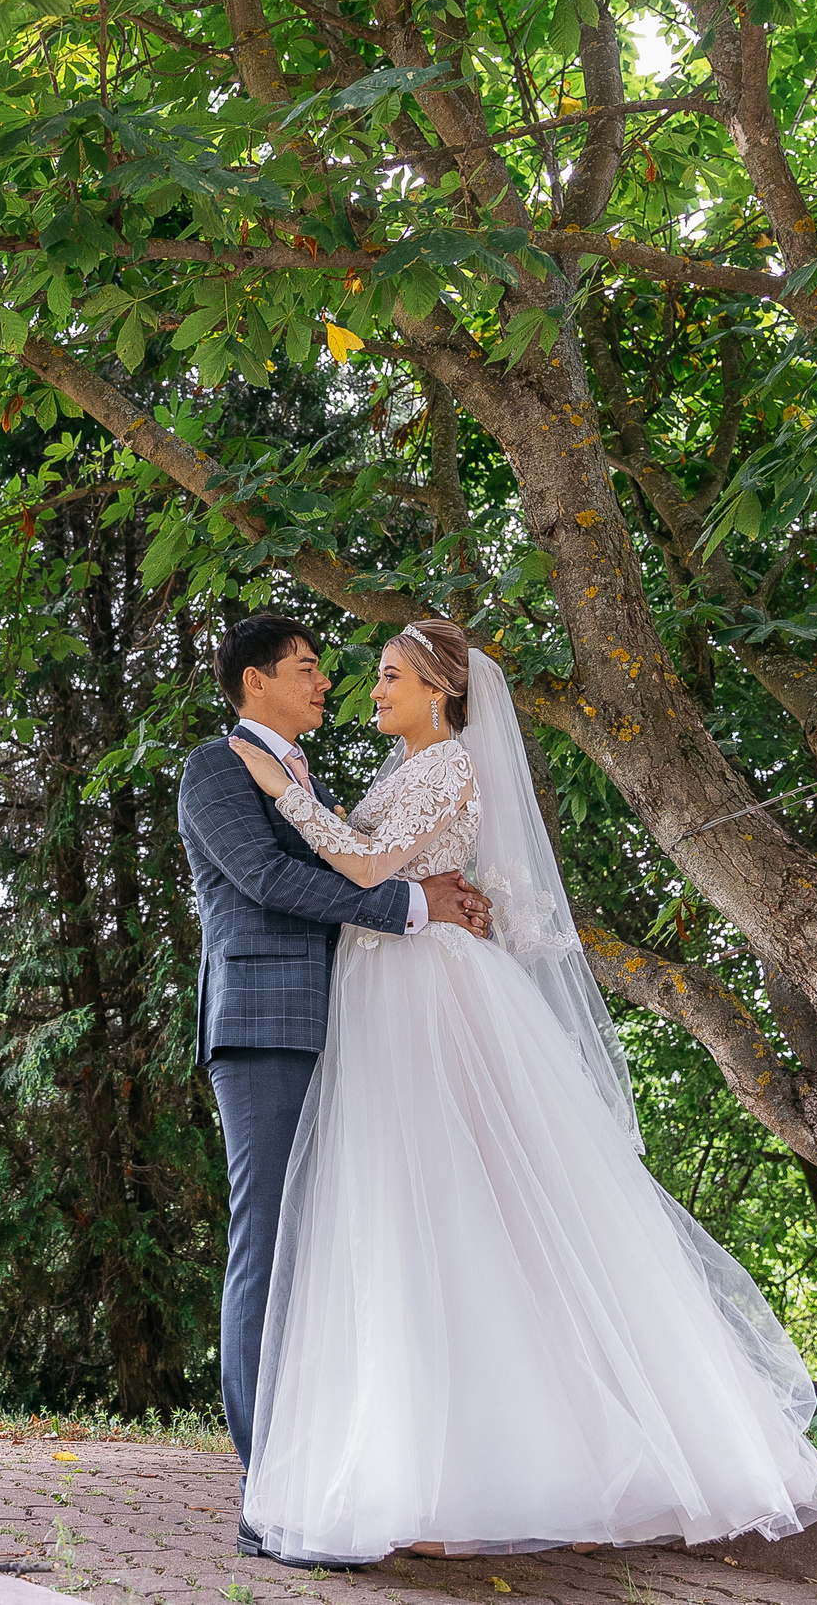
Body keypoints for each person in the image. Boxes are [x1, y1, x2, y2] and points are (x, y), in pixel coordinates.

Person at [227, 617, 817, 1567]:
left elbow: (365, 865)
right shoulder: (400, 770)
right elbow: (371, 866)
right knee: (405, 1214)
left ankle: (471, 1473)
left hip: (429, 997)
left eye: (389, 677)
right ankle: (415, 1465)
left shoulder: (449, 767)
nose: (370, 691)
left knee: (460, 1204)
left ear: (440, 688)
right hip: (387, 991)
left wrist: (284, 793)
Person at [174, 613, 493, 1562]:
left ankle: (331, 1471)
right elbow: (269, 879)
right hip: (267, 1026)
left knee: (337, 1252)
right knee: (267, 1245)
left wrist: (439, 894)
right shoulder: (218, 767)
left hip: (350, 1027)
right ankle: (263, 1486)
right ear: (253, 681)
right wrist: (411, 903)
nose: (327, 682)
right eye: (307, 668)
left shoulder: (311, 776)